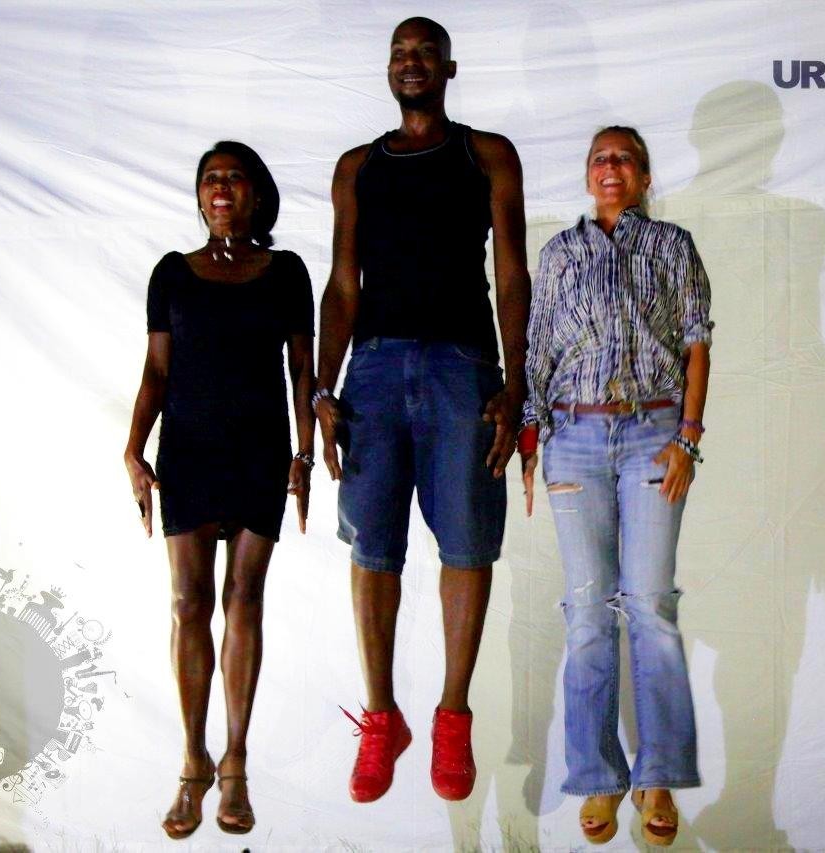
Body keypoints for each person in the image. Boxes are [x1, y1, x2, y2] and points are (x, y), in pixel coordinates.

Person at [314, 16, 530, 803]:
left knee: (467, 541)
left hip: (461, 364)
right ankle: (381, 717)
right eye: (399, 53)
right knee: (373, 545)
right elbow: (342, 284)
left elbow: (512, 272)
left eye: (424, 52)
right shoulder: (358, 167)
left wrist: (517, 377)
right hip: (371, 368)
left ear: (448, 68)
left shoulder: (487, 154)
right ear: (389, 69)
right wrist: (321, 387)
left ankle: (452, 715)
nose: (411, 62)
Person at [519, 126, 711, 846]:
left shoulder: (672, 247)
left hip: (652, 435)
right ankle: (597, 775)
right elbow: (537, 348)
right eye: (600, 158)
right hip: (573, 438)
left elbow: (697, 343)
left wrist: (687, 438)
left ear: (645, 175)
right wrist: (531, 439)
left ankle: (658, 772)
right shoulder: (560, 254)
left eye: (624, 158)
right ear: (587, 173)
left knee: (651, 604)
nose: (611, 167)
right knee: (588, 610)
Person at [124, 141, 316, 838]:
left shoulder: (286, 271)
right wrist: (133, 448)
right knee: (188, 602)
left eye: (235, 177)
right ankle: (192, 761)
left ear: (257, 194)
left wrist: (304, 453)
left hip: (260, 450)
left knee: (244, 598)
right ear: (200, 195)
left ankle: (235, 760)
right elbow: (156, 369)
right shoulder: (172, 273)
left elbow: (302, 370)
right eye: (211, 178)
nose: (222, 187)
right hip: (190, 451)